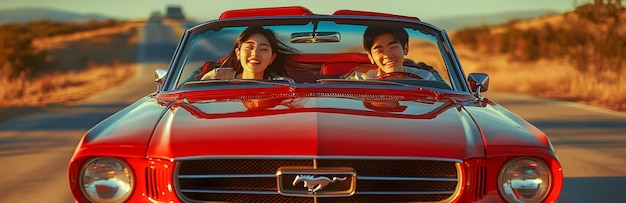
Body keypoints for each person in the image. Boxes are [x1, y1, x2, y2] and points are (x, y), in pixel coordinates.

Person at [201, 26, 299, 80]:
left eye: (263, 49)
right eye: (249, 47)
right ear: (238, 53)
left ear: (272, 58)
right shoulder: (216, 78)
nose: (255, 53)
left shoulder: (282, 85)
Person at [343, 25, 435, 80]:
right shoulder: (360, 80)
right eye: (379, 50)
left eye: (393, 47)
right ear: (370, 56)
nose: (388, 55)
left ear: (405, 48)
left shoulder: (425, 79)